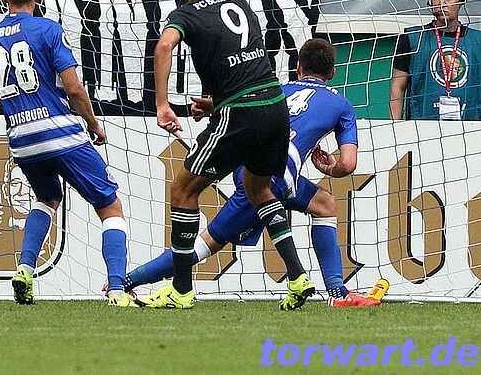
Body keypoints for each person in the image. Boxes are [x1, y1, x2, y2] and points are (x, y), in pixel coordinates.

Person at [126, 39, 379, 307]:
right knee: (206, 244)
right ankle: (126, 282)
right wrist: (330, 167)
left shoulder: (277, 89)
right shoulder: (341, 104)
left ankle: (336, 292)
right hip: (275, 175)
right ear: (332, 73)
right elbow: (348, 165)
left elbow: (243, 105)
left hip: (252, 166)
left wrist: (212, 105)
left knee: (324, 204)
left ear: (298, 68)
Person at [138, 0, 313, 311]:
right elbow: (245, 65)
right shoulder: (240, 2)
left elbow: (164, 46)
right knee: (257, 187)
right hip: (274, 105)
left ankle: (181, 289)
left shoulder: (185, 14)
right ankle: (297, 276)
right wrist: (216, 103)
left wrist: (162, 104)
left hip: (241, 112)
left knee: (182, 189)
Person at [0, 0, 133, 307]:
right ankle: (117, 289)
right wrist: (93, 124)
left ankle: (24, 269)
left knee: (47, 198)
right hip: (59, 132)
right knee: (109, 205)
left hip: (21, 139)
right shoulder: (49, 29)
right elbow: (74, 88)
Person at [390, 0, 481, 121]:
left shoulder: (477, 41)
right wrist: (395, 126)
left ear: (461, 1)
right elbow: (397, 87)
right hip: (422, 127)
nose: (441, 3)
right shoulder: (413, 38)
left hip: (469, 127)